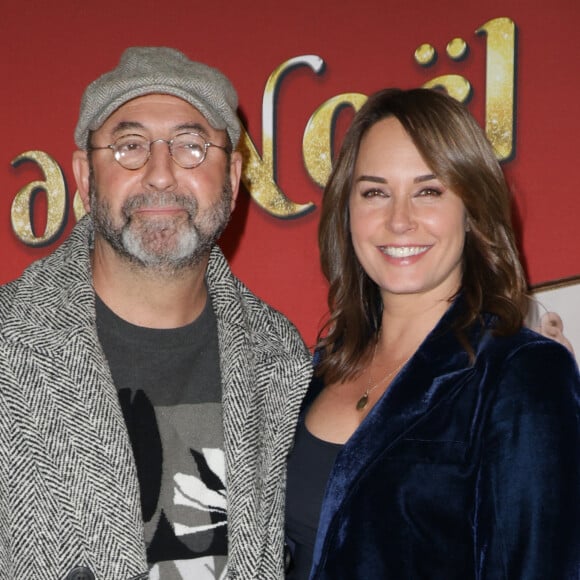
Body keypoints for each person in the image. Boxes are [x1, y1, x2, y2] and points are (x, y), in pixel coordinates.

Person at [0, 47, 312, 580]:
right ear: (84, 173)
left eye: (192, 147)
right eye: (129, 146)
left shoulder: (280, 356)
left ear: (234, 177)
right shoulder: (10, 346)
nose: (161, 175)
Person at [284, 88, 580, 579]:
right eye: (375, 191)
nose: (399, 220)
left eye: (429, 190)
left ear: (472, 211)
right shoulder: (317, 369)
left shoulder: (521, 373)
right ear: (347, 210)